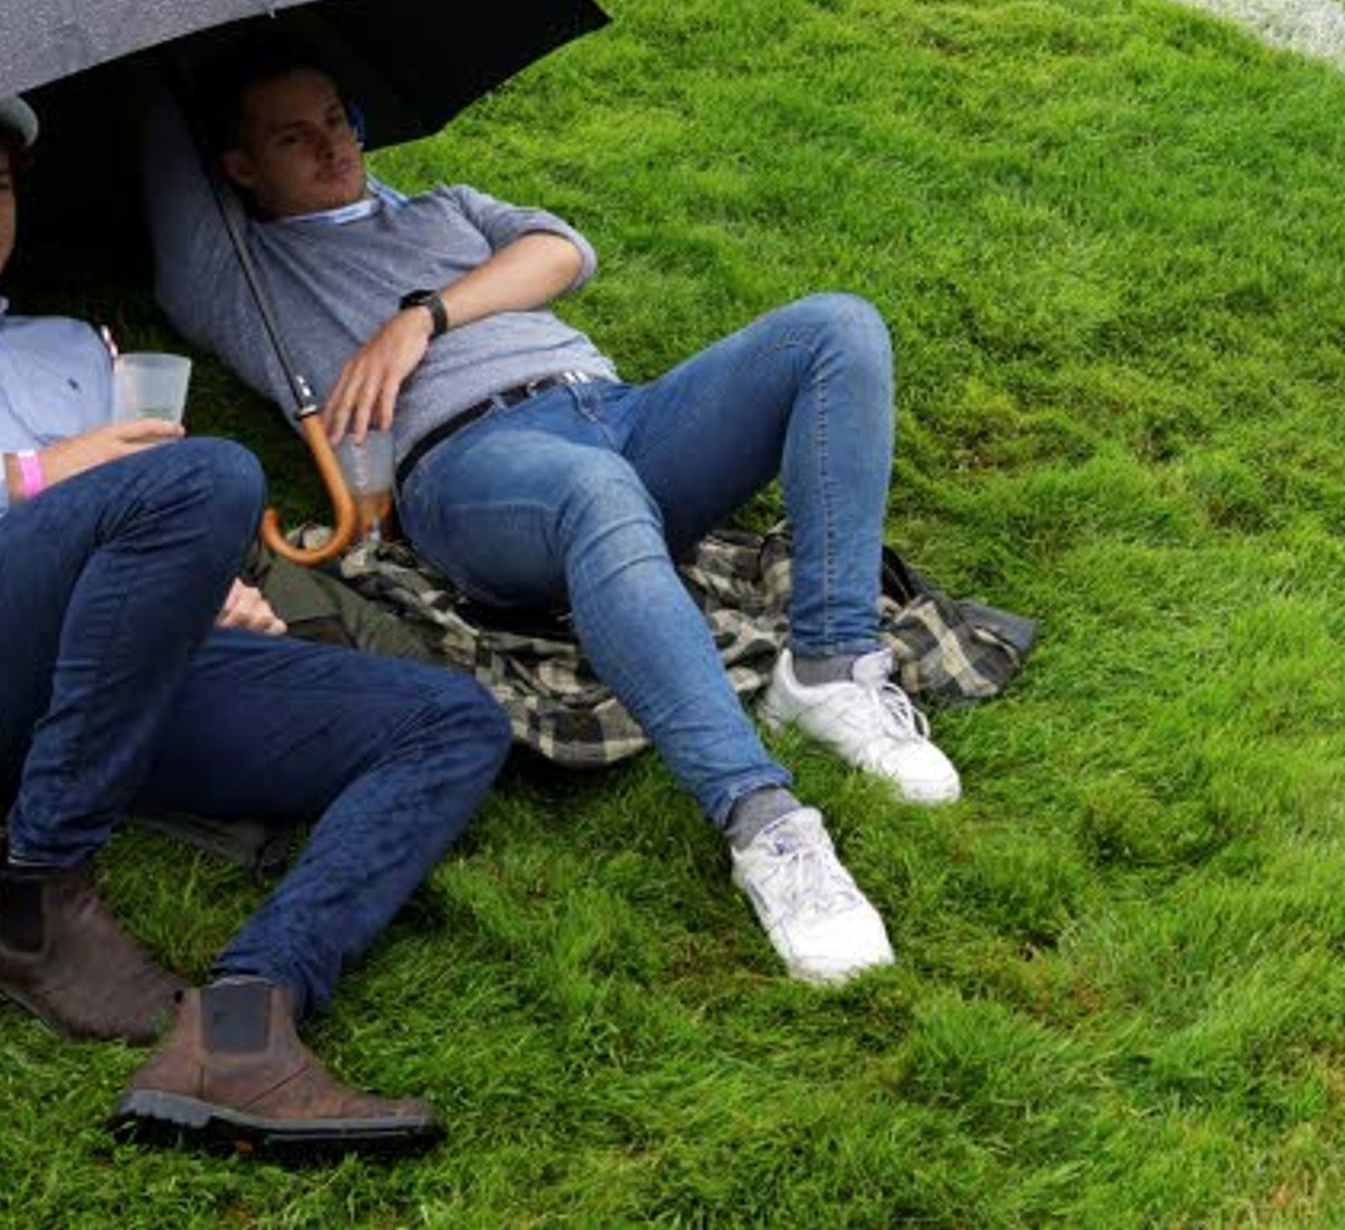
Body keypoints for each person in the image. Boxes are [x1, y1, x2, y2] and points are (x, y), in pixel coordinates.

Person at [0, 103, 506, 1153]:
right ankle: (37, 896)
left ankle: (244, 1022)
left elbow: (140, 503)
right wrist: (27, 474)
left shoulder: (75, 348)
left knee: (454, 718)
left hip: (103, 664)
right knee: (205, 470)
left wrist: (202, 581)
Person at [145, 55, 959, 988]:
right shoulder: (240, 268)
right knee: (594, 492)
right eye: (294, 136)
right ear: (239, 167)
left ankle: (828, 666)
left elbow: (566, 251)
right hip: (472, 465)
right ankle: (765, 820)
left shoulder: (440, 205)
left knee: (836, 327)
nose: (333, 145)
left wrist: (424, 317)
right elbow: (161, 136)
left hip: (615, 409)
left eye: (338, 117)